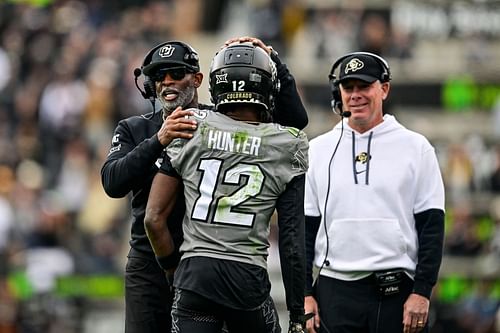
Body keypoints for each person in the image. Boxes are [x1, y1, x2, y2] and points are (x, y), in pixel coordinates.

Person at [101, 37, 308, 332]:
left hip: (199, 265)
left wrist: (272, 59)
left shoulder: (217, 120)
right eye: (159, 76)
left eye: (176, 73)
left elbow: (294, 121)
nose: (167, 82)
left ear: (198, 79)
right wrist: (159, 139)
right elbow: (112, 183)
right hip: (152, 264)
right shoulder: (135, 128)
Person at [303, 52, 445, 333]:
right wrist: (304, 294)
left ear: (384, 88)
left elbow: (432, 226)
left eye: (364, 86)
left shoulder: (416, 148)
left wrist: (422, 291)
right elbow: (304, 230)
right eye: (348, 87)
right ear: (338, 93)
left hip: (397, 291)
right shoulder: (318, 150)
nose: (355, 95)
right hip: (335, 290)